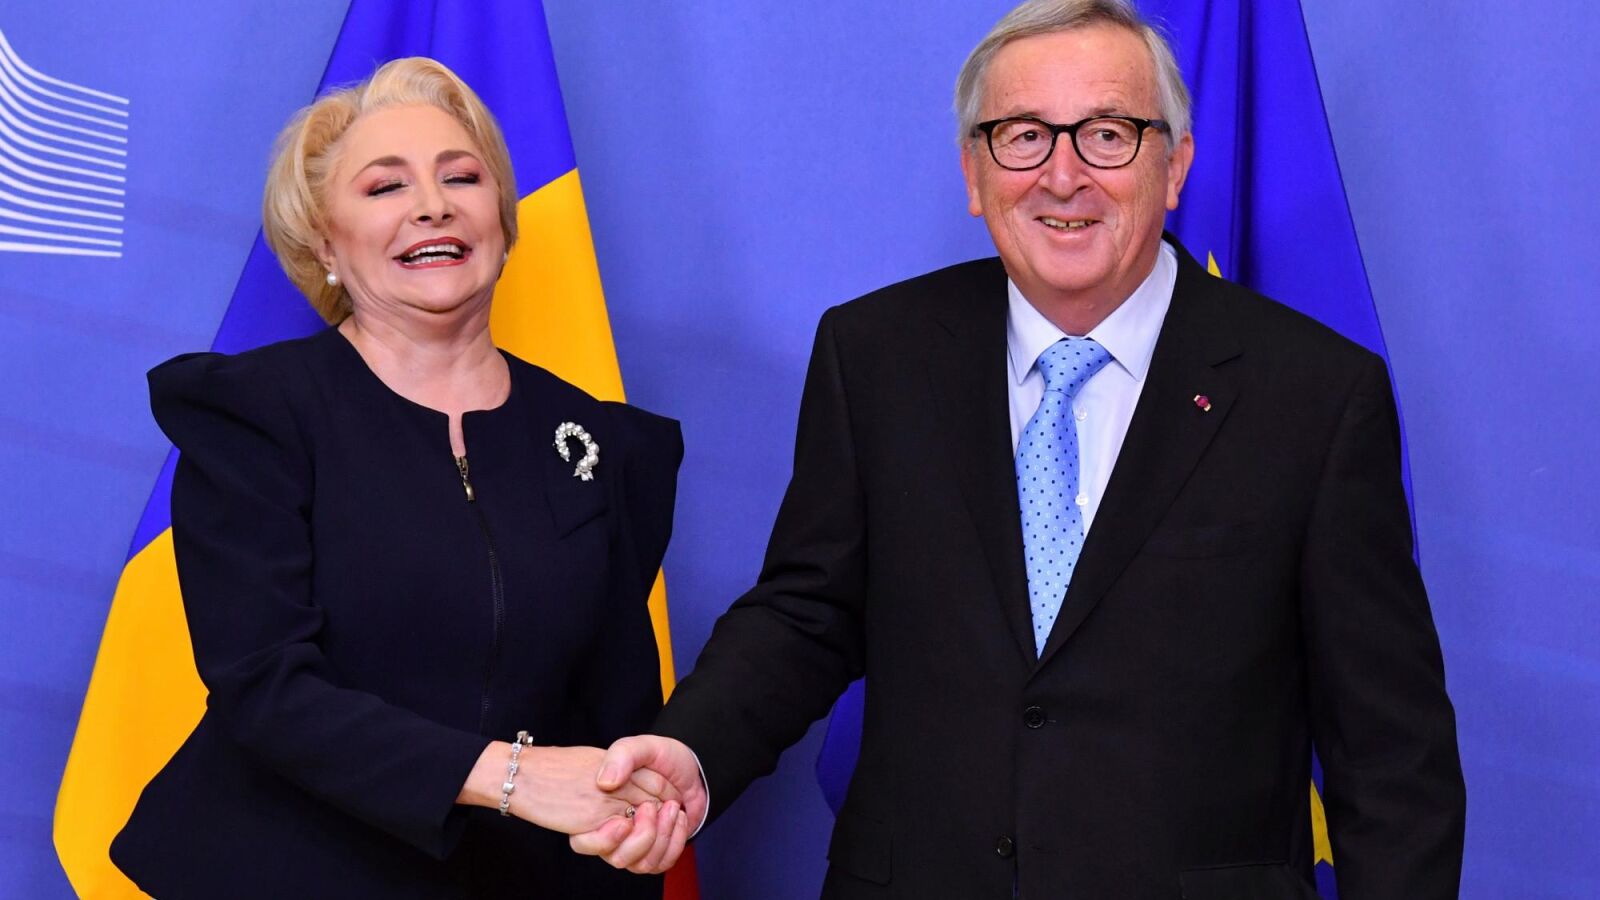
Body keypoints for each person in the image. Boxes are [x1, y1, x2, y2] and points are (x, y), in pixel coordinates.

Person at [570, 1, 1466, 897]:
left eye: (1108, 134)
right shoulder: (876, 354)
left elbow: (1390, 751)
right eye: (1025, 136)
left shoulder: (1315, 394)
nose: (1063, 176)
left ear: (1176, 165)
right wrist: (694, 750)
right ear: (974, 172)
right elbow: (806, 613)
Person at [110, 57, 690, 898]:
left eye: (462, 177)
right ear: (324, 244)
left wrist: (631, 821)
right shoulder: (256, 414)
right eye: (385, 187)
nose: (432, 205)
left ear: (502, 219)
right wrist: (513, 776)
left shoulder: (598, 444)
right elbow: (266, 686)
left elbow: (612, 720)